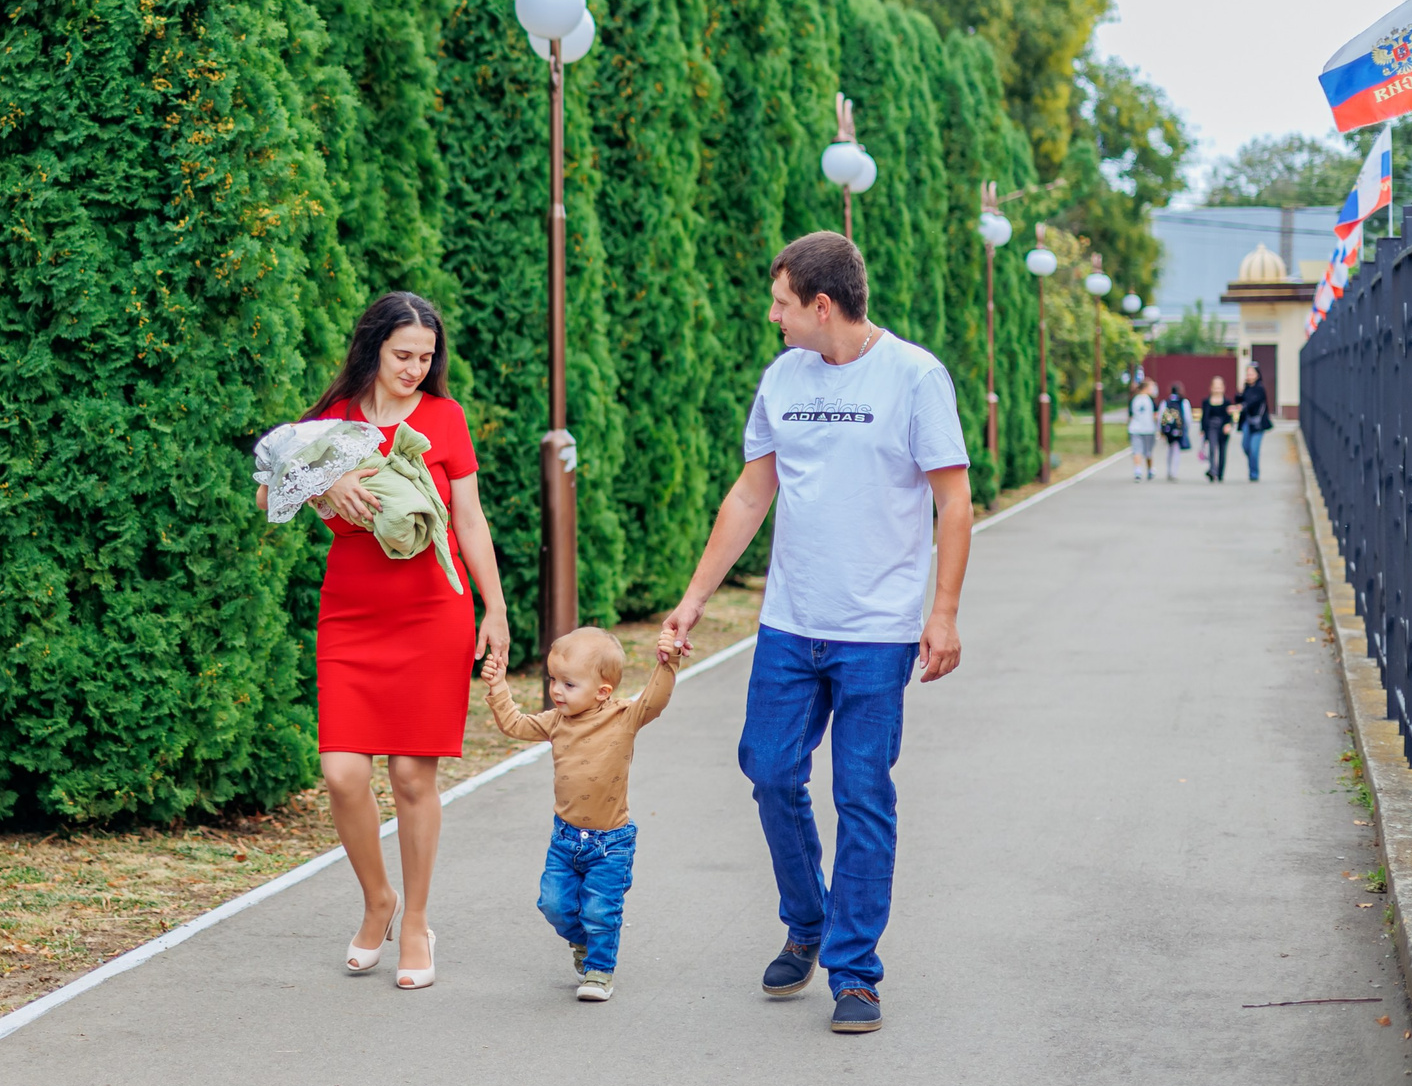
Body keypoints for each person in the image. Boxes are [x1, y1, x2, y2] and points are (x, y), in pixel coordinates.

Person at [660, 232, 971, 1036]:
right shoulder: (784, 377)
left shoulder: (914, 377)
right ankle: (808, 919)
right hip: (790, 624)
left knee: (861, 793)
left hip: (877, 632)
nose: (774, 316)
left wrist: (942, 611)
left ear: (821, 305)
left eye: (782, 303)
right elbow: (750, 492)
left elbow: (954, 501)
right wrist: (694, 597)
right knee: (768, 768)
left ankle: (854, 969)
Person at [264, 292, 509, 991]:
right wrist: (328, 476)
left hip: (434, 610)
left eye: (426, 357)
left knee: (410, 775)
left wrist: (495, 608)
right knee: (343, 773)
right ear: (373, 347)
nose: (414, 368)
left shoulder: (445, 418)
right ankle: (379, 899)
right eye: (403, 354)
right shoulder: (331, 422)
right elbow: (266, 496)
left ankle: (417, 921)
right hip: (351, 614)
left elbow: (470, 519)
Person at [479, 628, 684, 1003]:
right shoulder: (557, 721)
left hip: (611, 843)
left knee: (601, 911)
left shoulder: (623, 717)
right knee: (553, 904)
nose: (556, 691)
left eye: (569, 684)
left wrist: (668, 661)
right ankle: (583, 942)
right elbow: (514, 724)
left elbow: (655, 700)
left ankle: (599, 971)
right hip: (565, 839)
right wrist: (498, 686)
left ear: (602, 691)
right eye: (553, 680)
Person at [1237, 363, 1272, 482]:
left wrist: (1243, 406)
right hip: (1247, 421)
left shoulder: (1260, 388)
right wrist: (1240, 392)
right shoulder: (1246, 388)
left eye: (1252, 373)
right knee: (1245, 446)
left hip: (1258, 423)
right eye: (1248, 374)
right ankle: (1252, 462)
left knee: (1254, 448)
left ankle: (1254, 473)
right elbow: (1238, 400)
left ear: (1257, 375)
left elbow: (1253, 402)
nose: (1249, 376)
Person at [1198, 376, 1233, 483]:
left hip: (1223, 427)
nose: (1217, 389)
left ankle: (1220, 473)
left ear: (1223, 388)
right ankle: (1213, 471)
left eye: (1219, 387)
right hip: (1211, 427)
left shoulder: (1227, 402)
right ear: (1211, 388)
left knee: (1222, 450)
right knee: (1212, 448)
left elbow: (1229, 416)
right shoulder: (1206, 401)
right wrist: (1202, 430)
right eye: (1215, 387)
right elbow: (1204, 417)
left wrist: (1229, 425)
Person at [1126, 378, 1159, 480]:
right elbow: (1155, 415)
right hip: (1149, 429)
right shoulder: (1151, 400)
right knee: (1148, 451)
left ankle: (1138, 470)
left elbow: (1130, 415)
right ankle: (1150, 469)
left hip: (1135, 428)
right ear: (1146, 388)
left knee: (1137, 450)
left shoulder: (1134, 399)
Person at [1159, 382, 1190, 481]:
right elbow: (1187, 418)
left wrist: (1161, 430)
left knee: (1169, 449)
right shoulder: (1184, 402)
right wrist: (1186, 430)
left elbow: (1161, 417)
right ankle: (1174, 472)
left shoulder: (1165, 402)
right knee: (1176, 450)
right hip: (1178, 430)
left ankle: (1169, 471)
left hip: (1168, 430)